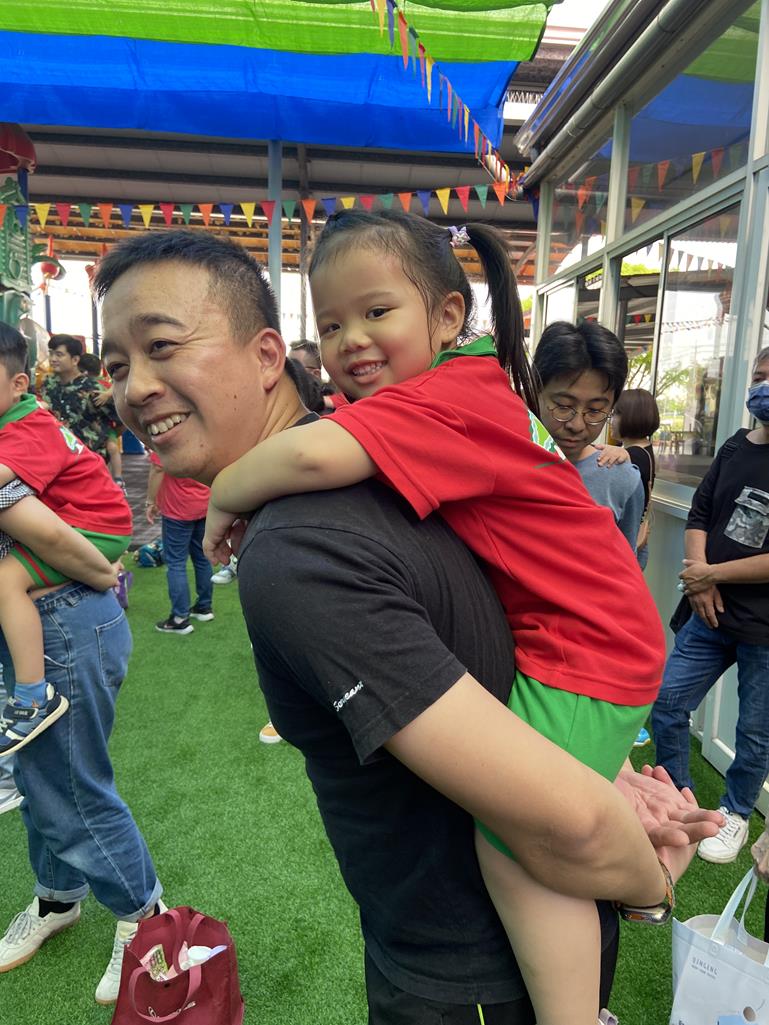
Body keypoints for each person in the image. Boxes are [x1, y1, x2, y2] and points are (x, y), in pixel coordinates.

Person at [96, 228, 721, 1025]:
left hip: (472, 969)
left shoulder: (303, 543)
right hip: (537, 874)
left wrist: (647, 884)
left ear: (266, 354)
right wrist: (593, 766)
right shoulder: (406, 441)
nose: (135, 387)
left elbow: (566, 823)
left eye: (161, 346)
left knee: (511, 849)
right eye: (116, 365)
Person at [0, 329, 164, 1005]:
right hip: (50, 612)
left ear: (18, 381)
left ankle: (146, 916)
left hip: (65, 614)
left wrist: (101, 568)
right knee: (40, 776)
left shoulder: (24, 432)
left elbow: (52, 534)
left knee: (71, 782)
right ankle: (57, 897)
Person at [652, 346, 769, 866]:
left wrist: (711, 575)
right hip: (709, 613)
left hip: (763, 626)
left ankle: (737, 812)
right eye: (759, 376)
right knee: (667, 702)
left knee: (755, 731)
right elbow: (700, 512)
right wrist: (699, 581)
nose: (762, 387)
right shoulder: (735, 445)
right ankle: (680, 797)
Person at [0, 325, 131, 754]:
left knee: (5, 580)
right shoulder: (17, 419)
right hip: (82, 521)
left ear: (18, 383)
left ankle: (33, 696)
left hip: (93, 525)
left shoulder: (26, 427)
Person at [533, 321, 646, 553]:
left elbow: (624, 564)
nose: (576, 425)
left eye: (595, 411)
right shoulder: (504, 460)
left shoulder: (621, 479)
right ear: (535, 391)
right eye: (563, 406)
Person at [146, 452, 214, 633]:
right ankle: (204, 607)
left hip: (178, 508)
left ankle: (180, 618)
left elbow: (158, 468)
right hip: (204, 503)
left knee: (176, 563)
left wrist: (150, 501)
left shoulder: (166, 439)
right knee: (202, 558)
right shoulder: (202, 436)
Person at [39, 334, 115, 465]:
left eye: (59, 355)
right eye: (51, 353)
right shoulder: (47, 384)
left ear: (75, 360)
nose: (53, 359)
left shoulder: (93, 388)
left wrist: (101, 439)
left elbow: (120, 421)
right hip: (56, 458)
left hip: (89, 460)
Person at [611, 388, 660, 571]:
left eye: (615, 414)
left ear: (630, 417)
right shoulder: (643, 450)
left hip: (628, 544)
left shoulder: (632, 456)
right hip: (637, 540)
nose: (611, 420)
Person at [79, 352, 127, 492]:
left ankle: (118, 478)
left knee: (111, 449)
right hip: (100, 427)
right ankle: (114, 479)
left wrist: (107, 394)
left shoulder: (99, 385)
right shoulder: (100, 384)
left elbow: (117, 385)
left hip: (105, 426)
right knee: (109, 451)